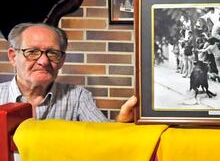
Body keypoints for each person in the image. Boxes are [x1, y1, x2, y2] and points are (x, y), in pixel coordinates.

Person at [0, 23, 136, 122]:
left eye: (52, 53)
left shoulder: (77, 97)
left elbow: (104, 138)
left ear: (62, 60)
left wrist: (121, 121)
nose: (44, 61)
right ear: (13, 57)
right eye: (32, 52)